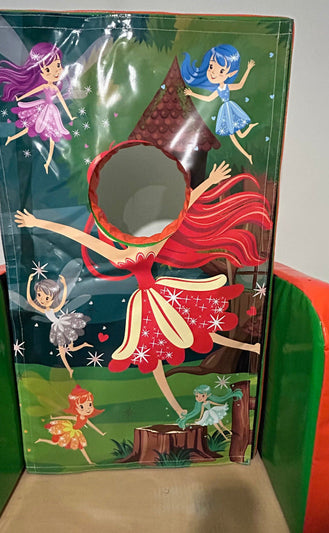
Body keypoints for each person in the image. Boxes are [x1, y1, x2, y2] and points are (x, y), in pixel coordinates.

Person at [16, 141, 272, 414]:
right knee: (155, 355)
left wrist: (209, 181)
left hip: (161, 294)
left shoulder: (149, 243)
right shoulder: (125, 250)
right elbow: (78, 236)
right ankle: (178, 408)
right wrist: (38, 223)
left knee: (200, 328)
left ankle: (251, 348)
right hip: (148, 302)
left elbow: (182, 214)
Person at [0, 42, 76, 173]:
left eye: (58, 65)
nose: (56, 71)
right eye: (48, 69)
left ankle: (48, 163)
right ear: (40, 71)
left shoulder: (55, 87)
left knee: (51, 136)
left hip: (51, 112)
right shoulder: (45, 86)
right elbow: (31, 92)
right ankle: (12, 138)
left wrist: (70, 116)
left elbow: (61, 100)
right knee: (30, 127)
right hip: (43, 108)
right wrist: (20, 97)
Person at [181, 44, 257, 164]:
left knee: (237, 136)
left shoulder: (226, 86)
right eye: (211, 66)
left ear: (230, 74)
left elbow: (240, 85)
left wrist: (248, 69)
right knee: (237, 135)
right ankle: (248, 152)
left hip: (230, 109)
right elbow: (208, 99)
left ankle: (248, 154)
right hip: (226, 110)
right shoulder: (218, 89)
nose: (213, 73)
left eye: (221, 71)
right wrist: (192, 93)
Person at [26, 273, 91, 377]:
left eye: (47, 298)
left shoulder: (53, 309)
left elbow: (62, 299)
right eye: (39, 295)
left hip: (62, 325)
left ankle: (71, 368)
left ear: (53, 298)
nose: (42, 300)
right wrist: (29, 282)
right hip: (58, 328)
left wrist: (65, 285)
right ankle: (72, 365)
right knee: (67, 350)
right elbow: (30, 300)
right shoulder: (44, 309)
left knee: (65, 350)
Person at [36, 385, 105, 465]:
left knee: (81, 448)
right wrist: (54, 418)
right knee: (55, 442)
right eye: (82, 407)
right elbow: (66, 417)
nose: (88, 409)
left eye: (90, 405)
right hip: (69, 430)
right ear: (76, 408)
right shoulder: (77, 417)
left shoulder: (86, 419)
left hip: (76, 433)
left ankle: (89, 462)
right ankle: (41, 439)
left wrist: (101, 433)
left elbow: (93, 426)